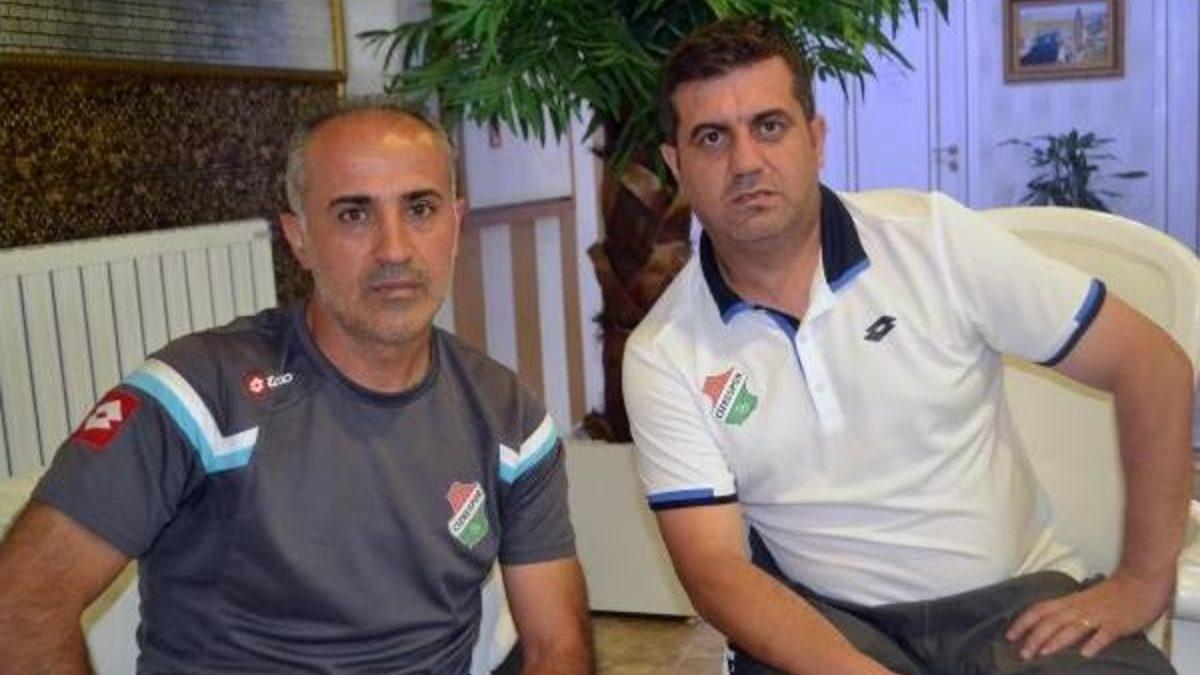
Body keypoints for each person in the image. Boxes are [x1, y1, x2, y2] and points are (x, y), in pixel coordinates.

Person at [623, 18, 1193, 675]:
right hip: (827, 627)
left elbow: (1152, 365)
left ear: (816, 139)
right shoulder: (664, 352)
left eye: (770, 126)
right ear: (677, 165)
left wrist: (1142, 581)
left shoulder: (936, 241)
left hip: (1014, 610)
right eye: (712, 137)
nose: (746, 162)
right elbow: (714, 568)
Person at [0, 102, 593, 675]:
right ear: (299, 237)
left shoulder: (508, 417)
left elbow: (557, 649)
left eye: (420, 208)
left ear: (455, 225)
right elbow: (19, 607)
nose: (394, 249)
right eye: (354, 214)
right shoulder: (198, 394)